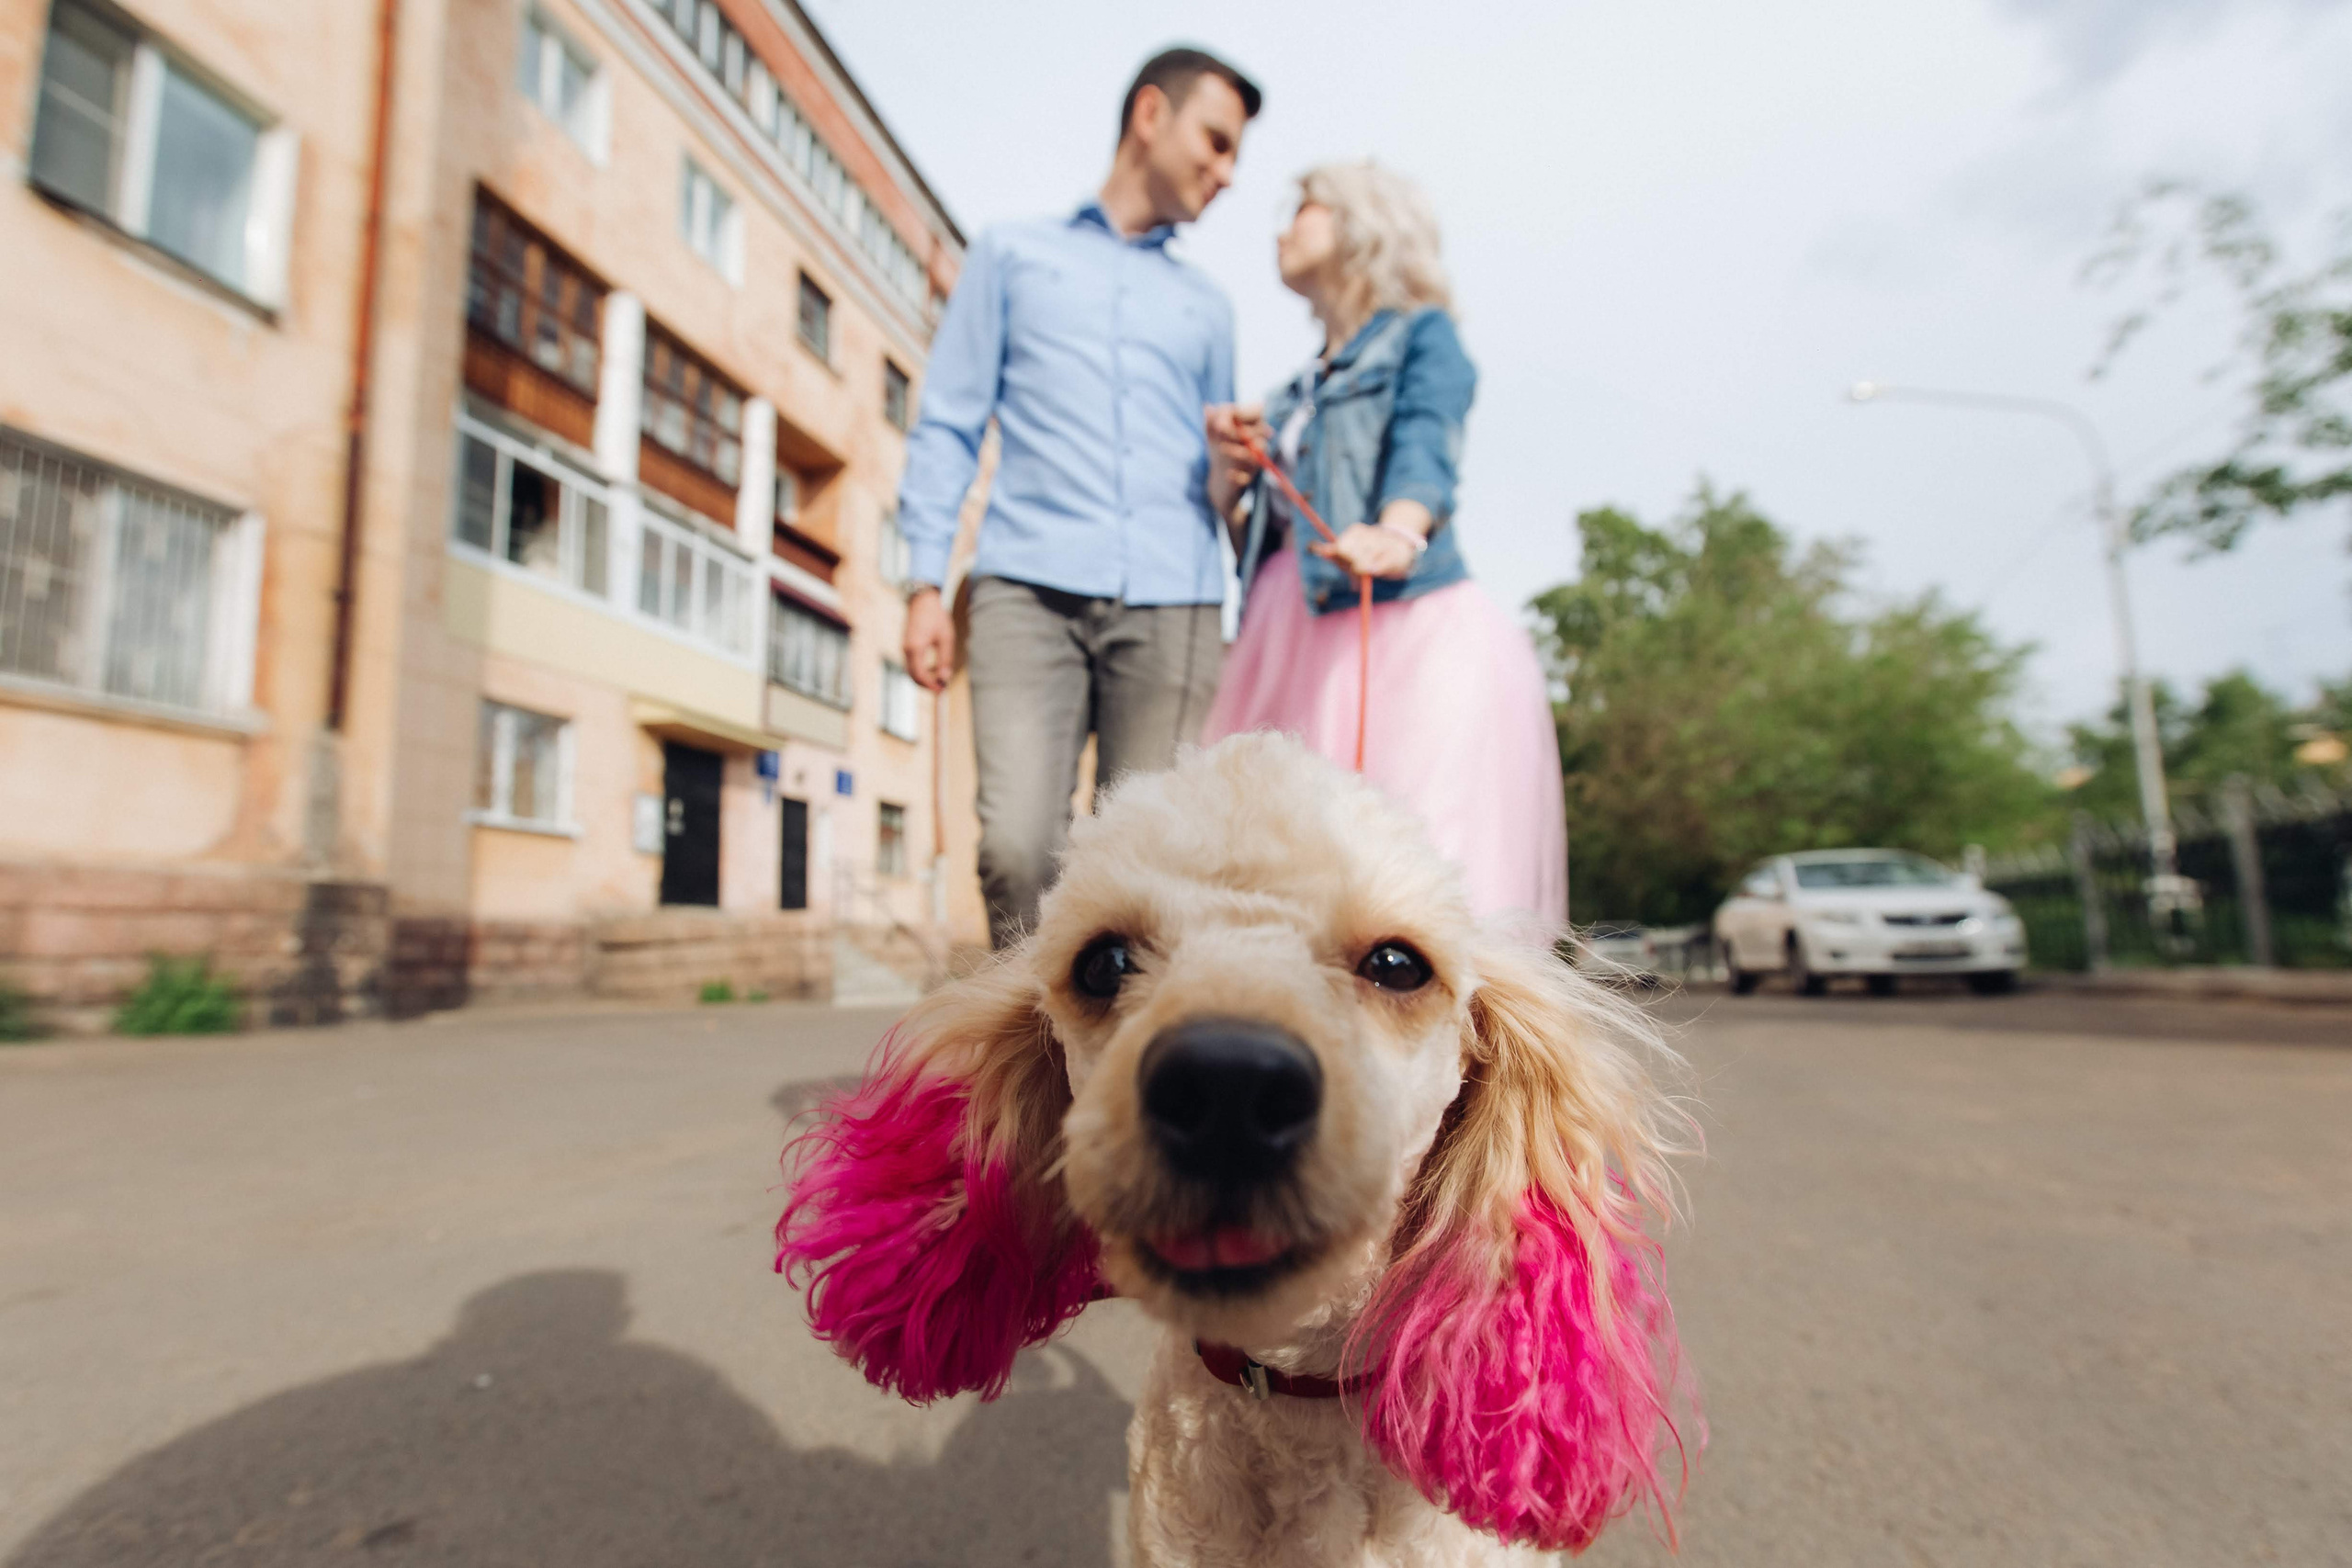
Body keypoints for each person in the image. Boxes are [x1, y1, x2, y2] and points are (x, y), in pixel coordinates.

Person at [896, 48, 1261, 949]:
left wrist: (1233, 473)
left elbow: (1223, 485)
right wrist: (921, 584)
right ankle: (1033, 1077)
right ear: (1150, 115)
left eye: (1234, 157)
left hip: (1174, 601)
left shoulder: (1208, 307)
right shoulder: (1012, 256)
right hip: (1028, 587)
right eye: (1214, 143)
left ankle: (1128, 1085)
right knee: (1018, 849)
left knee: (1154, 869)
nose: (1225, 172)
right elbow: (947, 423)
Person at [1202, 163, 1567, 924]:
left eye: (1303, 208)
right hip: (1289, 632)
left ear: (1362, 226)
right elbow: (1266, 540)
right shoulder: (1292, 391)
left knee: (1416, 860)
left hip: (1403, 623)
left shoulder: (1421, 337)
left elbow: (1426, 441)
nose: (1281, 228)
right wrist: (1226, 478)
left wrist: (1400, 527)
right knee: (1277, 864)